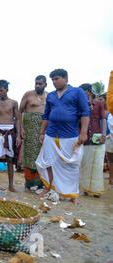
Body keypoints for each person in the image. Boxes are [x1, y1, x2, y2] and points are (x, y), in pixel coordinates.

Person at [35, 69, 90, 205]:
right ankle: (48, 188)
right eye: (53, 80)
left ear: (66, 78)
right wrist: (42, 132)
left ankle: (73, 194)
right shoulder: (51, 96)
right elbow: (46, 115)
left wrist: (83, 132)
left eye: (57, 79)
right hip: (51, 134)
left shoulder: (78, 92)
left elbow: (85, 113)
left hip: (70, 135)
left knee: (72, 164)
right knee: (48, 162)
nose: (54, 82)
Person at [0, 80, 21, 192]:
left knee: (10, 159)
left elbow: (17, 120)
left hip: (10, 131)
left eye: (1, 90)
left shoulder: (14, 103)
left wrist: (18, 135)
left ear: (7, 90)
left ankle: (11, 185)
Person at [19, 75, 47, 191]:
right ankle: (29, 182)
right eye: (36, 83)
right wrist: (21, 128)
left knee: (42, 155)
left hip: (42, 130)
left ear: (45, 84)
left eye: (40, 83)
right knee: (29, 156)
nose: (38, 85)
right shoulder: (28, 95)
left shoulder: (49, 96)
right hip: (29, 130)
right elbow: (19, 112)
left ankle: (40, 183)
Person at [79, 83, 106, 198]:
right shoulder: (80, 105)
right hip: (85, 138)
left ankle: (96, 190)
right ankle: (86, 189)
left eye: (83, 92)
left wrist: (104, 135)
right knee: (85, 164)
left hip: (97, 137)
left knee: (97, 164)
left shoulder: (99, 104)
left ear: (88, 92)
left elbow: (103, 119)